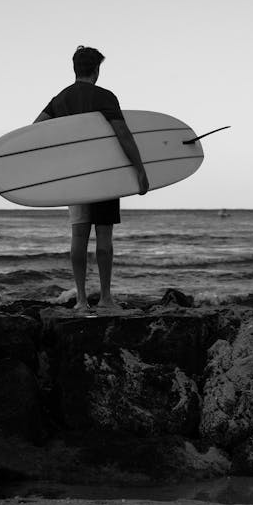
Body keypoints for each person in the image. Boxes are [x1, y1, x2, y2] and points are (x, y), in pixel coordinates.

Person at [34, 46, 149, 313]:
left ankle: (82, 300)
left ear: (75, 68)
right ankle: (107, 298)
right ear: (96, 70)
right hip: (105, 175)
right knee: (104, 237)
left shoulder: (60, 99)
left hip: (75, 177)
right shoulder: (105, 96)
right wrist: (140, 170)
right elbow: (123, 135)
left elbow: (36, 131)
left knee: (79, 237)